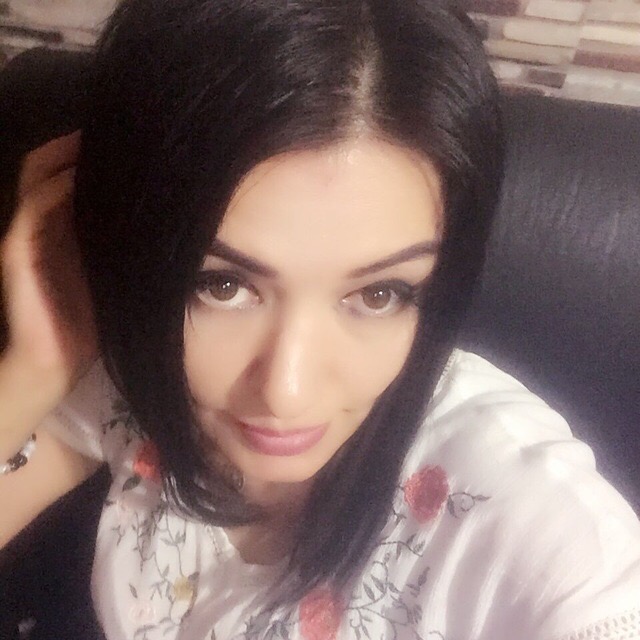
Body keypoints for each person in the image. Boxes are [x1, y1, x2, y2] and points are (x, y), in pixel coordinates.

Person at [1, 0, 639, 638]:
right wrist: (40, 365)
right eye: (222, 285)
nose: (287, 393)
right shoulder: (138, 376)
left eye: (379, 293)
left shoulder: (508, 503)